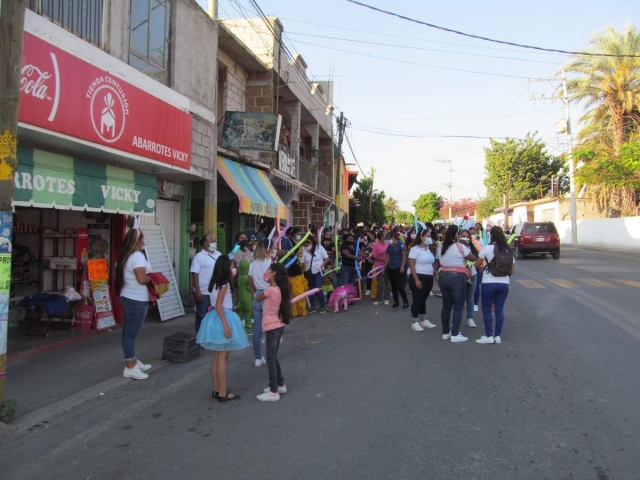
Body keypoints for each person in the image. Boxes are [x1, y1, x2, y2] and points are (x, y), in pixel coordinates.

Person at [196, 256, 249, 401]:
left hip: (213, 318)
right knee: (222, 358)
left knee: (216, 356)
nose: (234, 269)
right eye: (232, 266)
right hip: (222, 318)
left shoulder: (214, 283)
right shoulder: (224, 284)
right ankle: (222, 392)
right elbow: (219, 305)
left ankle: (217, 388)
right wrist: (226, 324)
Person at [115, 228, 152, 380]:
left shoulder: (127, 256)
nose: (145, 241)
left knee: (129, 332)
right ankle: (130, 366)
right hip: (136, 299)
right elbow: (142, 279)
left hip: (130, 297)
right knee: (130, 334)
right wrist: (154, 278)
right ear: (138, 241)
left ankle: (133, 360)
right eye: (143, 238)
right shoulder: (137, 256)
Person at [255, 263, 291, 402]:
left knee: (270, 358)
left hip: (271, 326)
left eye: (269, 270)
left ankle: (273, 390)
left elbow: (258, 298)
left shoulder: (270, 290)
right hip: (279, 325)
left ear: (274, 273)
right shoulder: (282, 289)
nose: (267, 272)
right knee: (273, 356)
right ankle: (280, 384)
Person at [474, 226, 515, 345]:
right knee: (499, 310)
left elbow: (477, 264)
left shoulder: (487, 248)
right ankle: (497, 336)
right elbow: (511, 271)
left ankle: (488, 335)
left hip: (489, 283)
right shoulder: (508, 250)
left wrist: (483, 266)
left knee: (487, 309)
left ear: (491, 236)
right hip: (504, 284)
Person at [436, 225, 476, 343]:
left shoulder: (440, 245)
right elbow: (472, 258)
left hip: (443, 275)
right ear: (457, 235)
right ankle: (455, 334)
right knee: (458, 306)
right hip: (457, 277)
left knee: (446, 305)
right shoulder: (460, 246)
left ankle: (445, 332)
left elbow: (438, 259)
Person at [248, 240, 273, 367]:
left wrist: (256, 289)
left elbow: (249, 281)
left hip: (257, 295)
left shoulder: (253, 264)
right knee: (271, 328)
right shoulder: (270, 262)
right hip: (269, 295)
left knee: (257, 330)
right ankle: (271, 356)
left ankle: (258, 357)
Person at [407, 228, 437, 332]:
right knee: (417, 299)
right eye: (427, 236)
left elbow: (431, 263)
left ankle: (423, 320)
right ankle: (414, 321)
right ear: (421, 237)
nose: (429, 238)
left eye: (430, 236)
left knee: (423, 299)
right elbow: (411, 264)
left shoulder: (428, 249)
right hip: (419, 276)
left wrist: (436, 274)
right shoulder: (415, 249)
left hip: (429, 277)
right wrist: (416, 280)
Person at [190, 234, 221, 334]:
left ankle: (210, 335)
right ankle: (200, 335)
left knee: (214, 314)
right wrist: (198, 291)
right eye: (212, 240)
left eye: (215, 240)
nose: (214, 242)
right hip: (203, 291)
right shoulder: (199, 256)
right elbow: (195, 274)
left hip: (216, 291)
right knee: (202, 315)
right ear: (205, 243)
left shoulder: (218, 254)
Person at [302, 236, 329, 314]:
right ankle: (312, 306)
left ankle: (322, 306)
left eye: (307, 245)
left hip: (318, 271)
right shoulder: (305, 250)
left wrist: (322, 265)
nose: (305, 247)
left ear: (311, 243)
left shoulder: (319, 248)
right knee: (311, 289)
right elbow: (302, 261)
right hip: (308, 272)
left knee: (318, 288)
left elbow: (326, 258)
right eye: (304, 245)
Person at [459, 229, 479, 329]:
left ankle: (470, 318)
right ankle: (456, 319)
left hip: (473, 274)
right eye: (463, 235)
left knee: (470, 298)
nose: (465, 238)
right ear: (459, 236)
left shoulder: (472, 248)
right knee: (459, 299)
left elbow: (476, 260)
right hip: (460, 275)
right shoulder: (456, 248)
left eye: (467, 236)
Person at [385, 229, 409, 310]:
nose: (388, 240)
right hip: (391, 267)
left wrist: (402, 266)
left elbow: (404, 256)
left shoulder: (400, 245)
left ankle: (406, 303)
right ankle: (396, 302)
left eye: (389, 238)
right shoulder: (389, 246)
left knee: (400, 286)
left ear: (393, 237)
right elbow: (388, 257)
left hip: (399, 267)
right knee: (393, 286)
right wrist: (384, 268)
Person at [372, 231, 390, 306]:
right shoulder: (375, 245)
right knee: (380, 283)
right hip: (379, 265)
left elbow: (389, 254)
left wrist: (387, 261)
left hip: (388, 265)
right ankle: (379, 298)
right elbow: (374, 256)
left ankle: (387, 298)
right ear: (381, 236)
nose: (385, 236)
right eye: (384, 234)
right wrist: (384, 260)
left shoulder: (387, 244)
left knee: (387, 282)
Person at [469, 226, 485, 312]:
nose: (472, 235)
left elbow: (483, 253)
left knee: (476, 285)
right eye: (471, 233)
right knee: (467, 285)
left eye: (474, 233)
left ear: (477, 233)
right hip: (468, 267)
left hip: (478, 266)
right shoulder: (466, 242)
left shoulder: (481, 241)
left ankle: (475, 303)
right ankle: (468, 300)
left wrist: (482, 264)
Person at [236, 259, 253, 333]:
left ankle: (235, 325)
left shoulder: (240, 276)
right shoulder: (246, 277)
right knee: (248, 312)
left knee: (241, 312)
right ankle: (247, 329)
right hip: (247, 297)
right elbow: (249, 288)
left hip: (241, 297)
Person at [361, 232, 375, 296]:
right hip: (367, 262)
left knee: (375, 276)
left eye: (371, 235)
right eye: (368, 235)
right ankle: (368, 289)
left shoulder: (377, 243)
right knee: (368, 276)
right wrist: (363, 257)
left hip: (376, 262)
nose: (369, 236)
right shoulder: (365, 243)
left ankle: (374, 289)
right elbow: (362, 251)